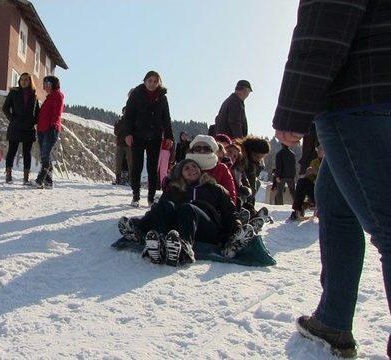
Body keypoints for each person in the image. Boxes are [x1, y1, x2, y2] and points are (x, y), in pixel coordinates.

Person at [272, 1, 391, 357]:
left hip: (360, 96)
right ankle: (333, 319)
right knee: (334, 200)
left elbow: (324, 27)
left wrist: (292, 110)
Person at [118, 159, 254, 266]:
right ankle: (154, 240)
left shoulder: (215, 188)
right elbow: (158, 211)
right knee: (166, 204)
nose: (192, 170)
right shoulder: (174, 190)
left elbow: (229, 212)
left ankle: (184, 247)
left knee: (188, 208)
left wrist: (235, 231)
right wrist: (140, 223)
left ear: (200, 170)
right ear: (180, 174)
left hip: (207, 228)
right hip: (179, 227)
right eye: (186, 168)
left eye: (194, 166)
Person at [122, 71, 174, 207]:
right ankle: (136, 196)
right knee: (137, 166)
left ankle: (151, 198)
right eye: (150, 81)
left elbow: (166, 118)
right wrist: (127, 134)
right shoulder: (136, 94)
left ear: (159, 83)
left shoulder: (162, 97)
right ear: (145, 81)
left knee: (152, 168)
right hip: (137, 135)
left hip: (155, 136)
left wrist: (169, 136)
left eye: (155, 81)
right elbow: (128, 116)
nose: (152, 84)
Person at [2, 72, 40, 185]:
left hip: (28, 128)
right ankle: (8, 175)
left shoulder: (34, 95)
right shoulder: (14, 92)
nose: (24, 81)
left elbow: (37, 113)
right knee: (12, 151)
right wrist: (12, 119)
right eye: (22, 79)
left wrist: (33, 122)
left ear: (30, 81)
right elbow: (5, 108)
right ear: (19, 81)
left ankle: (26, 177)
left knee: (27, 153)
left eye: (26, 80)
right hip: (15, 126)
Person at [185, 135, 237, 205]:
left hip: (211, 211)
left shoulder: (221, 169)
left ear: (213, 151)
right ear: (192, 150)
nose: (202, 151)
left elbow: (230, 197)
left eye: (207, 149)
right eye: (197, 148)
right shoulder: (183, 167)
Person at [35, 75, 64, 189]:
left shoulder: (58, 96)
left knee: (45, 155)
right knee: (44, 155)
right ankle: (48, 182)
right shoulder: (49, 97)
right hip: (42, 129)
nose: (44, 86)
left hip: (50, 129)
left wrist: (52, 125)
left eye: (46, 83)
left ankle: (40, 180)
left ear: (52, 84)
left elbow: (57, 113)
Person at [112, 106, 133, 186]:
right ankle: (118, 179)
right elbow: (116, 132)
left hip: (129, 145)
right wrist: (122, 125)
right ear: (122, 112)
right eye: (124, 111)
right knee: (118, 162)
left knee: (130, 163)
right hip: (120, 144)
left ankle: (131, 180)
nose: (126, 112)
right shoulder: (119, 121)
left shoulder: (132, 121)